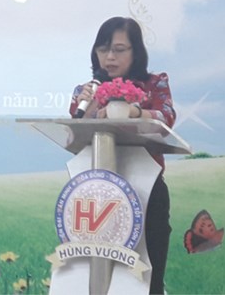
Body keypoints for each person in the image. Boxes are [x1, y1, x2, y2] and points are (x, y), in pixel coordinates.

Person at [69, 16, 176, 295]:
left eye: (118, 49)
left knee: (147, 276)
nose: (109, 57)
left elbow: (166, 117)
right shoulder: (86, 91)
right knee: (96, 273)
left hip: (147, 192)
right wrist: (91, 104)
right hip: (97, 195)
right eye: (103, 49)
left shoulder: (155, 84)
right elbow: (75, 133)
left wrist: (135, 111)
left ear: (135, 52)